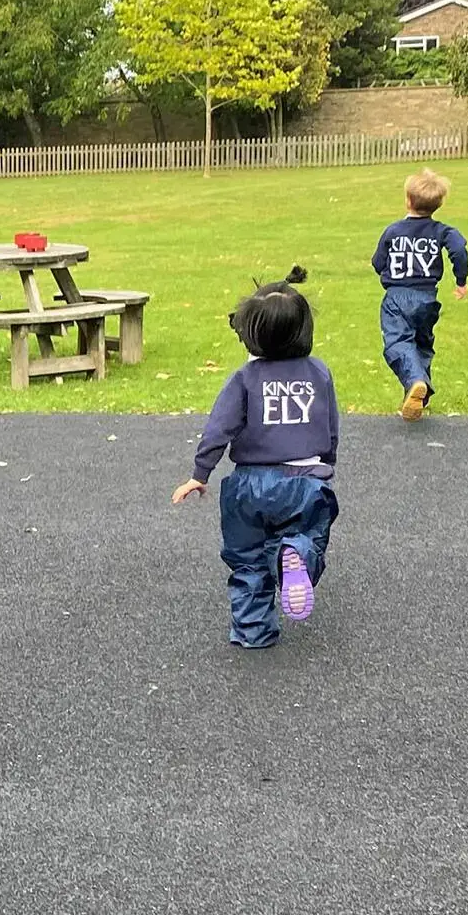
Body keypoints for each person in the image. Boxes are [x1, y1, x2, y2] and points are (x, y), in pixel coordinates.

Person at [172, 268, 340, 651]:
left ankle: (253, 631)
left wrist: (200, 474)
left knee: (246, 559)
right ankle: (293, 553)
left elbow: (219, 429)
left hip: (248, 486)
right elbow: (330, 427)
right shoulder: (319, 374)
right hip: (305, 481)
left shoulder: (245, 378)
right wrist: (326, 463)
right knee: (308, 536)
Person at [371, 168, 468, 421]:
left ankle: (415, 380)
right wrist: (460, 280)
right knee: (422, 344)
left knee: (398, 343)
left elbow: (377, 262)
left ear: (408, 200)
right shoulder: (443, 231)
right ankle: (416, 398)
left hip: (397, 297)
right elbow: (459, 248)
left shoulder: (393, 231)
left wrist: (387, 270)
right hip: (427, 298)